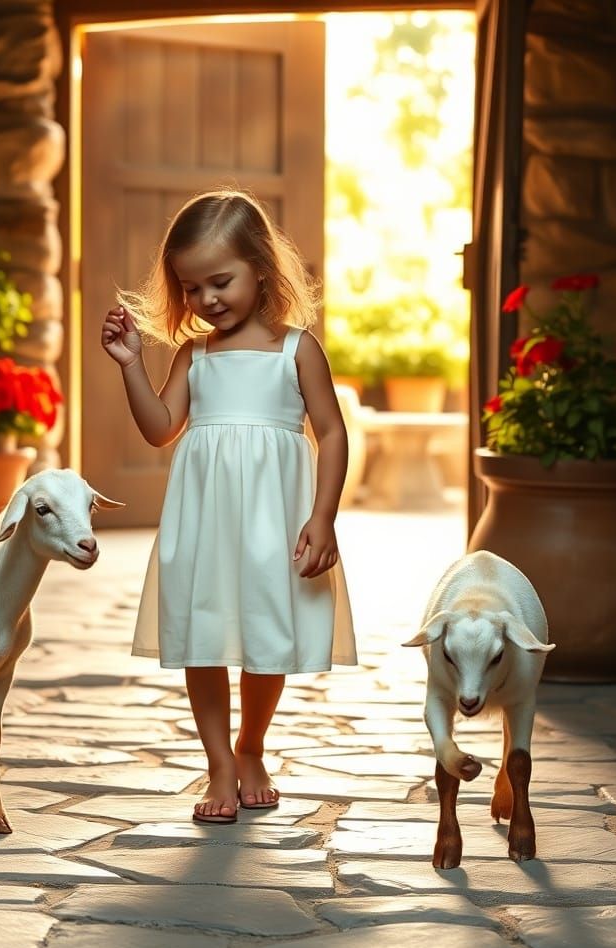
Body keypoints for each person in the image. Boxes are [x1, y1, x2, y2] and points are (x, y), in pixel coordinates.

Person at [100, 189, 357, 824]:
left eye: (221, 281)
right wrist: (132, 365)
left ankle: (250, 746)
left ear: (261, 270)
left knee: (267, 635)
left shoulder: (298, 350)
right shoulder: (195, 355)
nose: (206, 300)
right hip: (206, 522)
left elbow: (332, 432)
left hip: (274, 521)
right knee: (204, 636)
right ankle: (218, 760)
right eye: (191, 289)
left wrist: (322, 517)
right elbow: (161, 428)